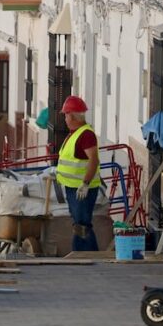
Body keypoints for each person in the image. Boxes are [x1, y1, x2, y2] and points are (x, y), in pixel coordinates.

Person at [56, 96, 101, 252]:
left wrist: (85, 184)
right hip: (72, 187)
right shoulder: (74, 133)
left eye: (66, 115)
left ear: (73, 116)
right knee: (79, 223)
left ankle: (85, 254)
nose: (65, 118)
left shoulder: (85, 135)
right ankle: (82, 254)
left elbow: (93, 160)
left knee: (82, 224)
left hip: (82, 189)